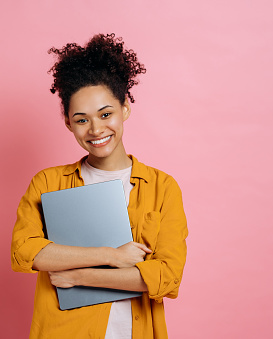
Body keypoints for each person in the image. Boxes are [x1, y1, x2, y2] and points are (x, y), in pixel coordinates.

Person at [11, 33, 188, 339]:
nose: (96, 129)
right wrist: (112, 256)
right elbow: (26, 252)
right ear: (68, 122)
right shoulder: (48, 183)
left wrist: (79, 275)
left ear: (125, 109)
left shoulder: (162, 187)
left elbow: (167, 277)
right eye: (81, 119)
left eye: (106, 114)